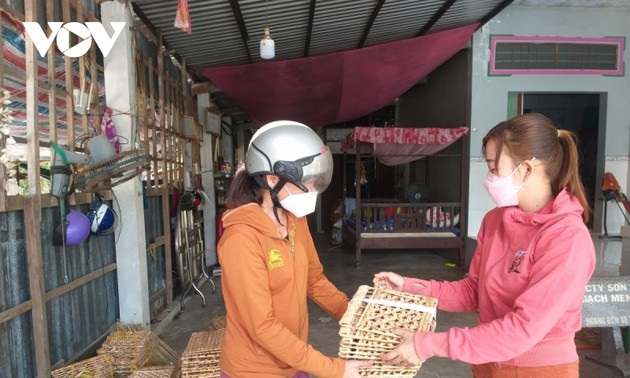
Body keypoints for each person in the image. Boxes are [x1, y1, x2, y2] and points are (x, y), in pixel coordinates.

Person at [374, 113, 596, 377]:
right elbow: (474, 291)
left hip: (539, 369)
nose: (489, 178)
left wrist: (427, 344)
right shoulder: (495, 221)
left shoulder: (566, 238)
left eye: (493, 167)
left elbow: (523, 329)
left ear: (525, 169)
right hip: (488, 362)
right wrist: (411, 288)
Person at [217, 120, 372, 378]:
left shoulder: (295, 219)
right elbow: (262, 326)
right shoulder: (241, 240)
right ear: (272, 178)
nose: (312, 190)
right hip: (253, 370)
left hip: (293, 360)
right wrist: (336, 369)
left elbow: (313, 279)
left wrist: (350, 313)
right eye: (306, 182)